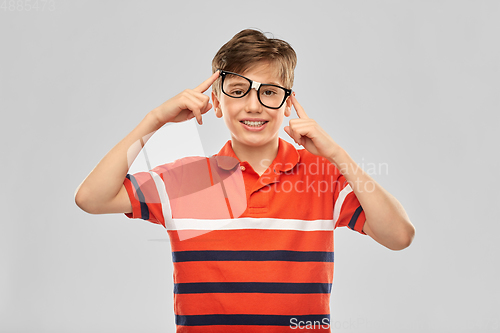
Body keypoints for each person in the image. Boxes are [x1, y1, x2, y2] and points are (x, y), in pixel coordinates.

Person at [75, 29, 415, 332]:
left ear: (287, 104)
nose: (254, 106)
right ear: (217, 103)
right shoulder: (186, 180)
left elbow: (399, 236)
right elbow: (92, 198)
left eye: (269, 92)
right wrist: (154, 119)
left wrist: (338, 156)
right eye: (238, 90)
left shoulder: (321, 176)